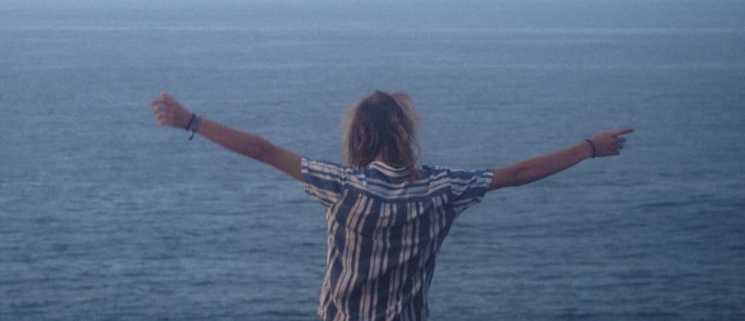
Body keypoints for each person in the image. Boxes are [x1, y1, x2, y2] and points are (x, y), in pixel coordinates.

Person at [150, 89, 633, 321]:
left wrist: (191, 120)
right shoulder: (443, 189)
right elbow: (518, 174)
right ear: (406, 134)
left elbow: (263, 150)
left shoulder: (342, 184)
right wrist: (589, 147)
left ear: (359, 136)